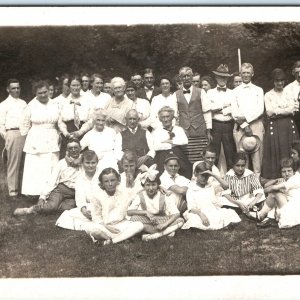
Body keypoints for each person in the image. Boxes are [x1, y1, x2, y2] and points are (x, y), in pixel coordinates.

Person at [14, 138, 82, 216]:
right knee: (51, 207)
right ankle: (29, 210)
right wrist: (42, 198)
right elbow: (52, 181)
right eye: (70, 148)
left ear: (80, 148)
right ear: (67, 150)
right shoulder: (61, 163)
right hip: (61, 190)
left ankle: (56, 206)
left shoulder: (85, 162)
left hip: (75, 193)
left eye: (75, 147)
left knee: (71, 207)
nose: (73, 150)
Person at [20, 80, 60, 197]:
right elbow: (24, 125)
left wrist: (61, 133)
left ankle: (49, 193)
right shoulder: (30, 106)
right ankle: (35, 193)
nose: (43, 95)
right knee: (37, 166)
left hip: (52, 137)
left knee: (50, 164)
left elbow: (60, 121)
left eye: (45, 92)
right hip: (36, 138)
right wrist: (30, 139)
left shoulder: (55, 104)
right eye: (40, 93)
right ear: (35, 94)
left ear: (49, 91)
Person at [85, 167, 144, 246]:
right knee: (92, 229)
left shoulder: (124, 193)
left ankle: (112, 241)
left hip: (122, 224)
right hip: (105, 227)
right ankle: (124, 237)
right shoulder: (97, 196)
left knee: (139, 225)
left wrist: (159, 187)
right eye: (106, 181)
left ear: (118, 180)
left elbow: (139, 190)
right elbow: (96, 218)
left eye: (112, 180)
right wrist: (107, 227)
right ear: (102, 183)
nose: (110, 184)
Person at [128, 165, 184, 241]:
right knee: (132, 219)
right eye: (147, 185)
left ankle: (152, 236)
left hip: (160, 220)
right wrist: (145, 212)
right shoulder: (140, 196)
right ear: (143, 186)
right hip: (146, 220)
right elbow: (129, 212)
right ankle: (164, 233)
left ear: (158, 185)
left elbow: (176, 213)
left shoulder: (163, 195)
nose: (151, 188)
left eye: (153, 185)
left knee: (180, 220)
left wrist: (164, 224)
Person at [182, 161, 241, 230]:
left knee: (230, 212)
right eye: (202, 175)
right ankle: (202, 227)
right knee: (194, 219)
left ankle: (218, 224)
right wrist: (201, 214)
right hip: (198, 212)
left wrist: (213, 175)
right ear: (196, 174)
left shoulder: (210, 186)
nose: (204, 178)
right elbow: (191, 208)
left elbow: (226, 186)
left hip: (212, 210)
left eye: (207, 176)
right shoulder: (191, 188)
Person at [262, 68, 298, 179]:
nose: (280, 83)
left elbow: (292, 109)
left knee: (291, 150)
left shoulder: (289, 93)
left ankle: (292, 177)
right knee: (275, 150)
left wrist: (277, 111)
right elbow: (269, 111)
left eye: (282, 80)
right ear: (273, 81)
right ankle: (277, 177)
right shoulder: (268, 95)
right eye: (277, 80)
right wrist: (284, 110)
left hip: (288, 125)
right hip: (275, 126)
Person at [231, 62, 265, 177]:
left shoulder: (258, 90)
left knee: (257, 161)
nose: (246, 75)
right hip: (240, 127)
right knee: (242, 159)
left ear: (252, 74)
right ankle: (243, 186)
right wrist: (245, 125)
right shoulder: (235, 91)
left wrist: (247, 119)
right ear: (240, 74)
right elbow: (234, 112)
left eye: (248, 73)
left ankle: (257, 187)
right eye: (243, 73)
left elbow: (260, 109)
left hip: (256, 126)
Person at [55, 150, 100, 231]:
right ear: (82, 164)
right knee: (66, 216)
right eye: (87, 163)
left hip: (102, 206)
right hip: (89, 206)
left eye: (93, 163)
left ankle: (94, 224)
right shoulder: (80, 178)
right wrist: (84, 210)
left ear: (97, 163)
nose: (90, 166)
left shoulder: (101, 175)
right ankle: (93, 226)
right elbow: (79, 196)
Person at [176, 66, 212, 163]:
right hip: (184, 131)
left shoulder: (201, 92)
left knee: (200, 157)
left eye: (188, 76)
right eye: (184, 76)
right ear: (180, 78)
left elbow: (207, 112)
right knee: (186, 158)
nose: (186, 78)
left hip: (199, 130)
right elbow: (175, 115)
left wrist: (208, 131)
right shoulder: (176, 94)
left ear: (192, 77)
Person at [248, 157, 295, 227]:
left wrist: (274, 188)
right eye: (284, 172)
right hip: (285, 204)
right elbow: (266, 186)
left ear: (294, 171)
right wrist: (275, 181)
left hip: (294, 208)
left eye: (289, 171)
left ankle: (262, 214)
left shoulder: (295, 180)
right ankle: (266, 216)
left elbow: (265, 190)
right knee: (275, 194)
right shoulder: (284, 180)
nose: (287, 174)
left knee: (275, 193)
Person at [0, 79, 27, 198]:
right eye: (13, 88)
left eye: (18, 88)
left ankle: (23, 189)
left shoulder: (23, 103)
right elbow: (1, 124)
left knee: (24, 162)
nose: (16, 90)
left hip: (25, 133)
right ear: (8, 89)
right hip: (12, 133)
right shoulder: (3, 105)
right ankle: (13, 191)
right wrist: (7, 136)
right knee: (13, 163)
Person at [208, 64, 236, 170]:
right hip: (215, 124)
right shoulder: (210, 93)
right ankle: (212, 178)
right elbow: (209, 108)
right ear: (216, 78)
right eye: (220, 77)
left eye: (225, 77)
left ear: (228, 79)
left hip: (228, 125)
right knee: (214, 153)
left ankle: (231, 179)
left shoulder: (232, 93)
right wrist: (224, 106)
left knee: (230, 153)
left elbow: (233, 109)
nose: (222, 79)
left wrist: (219, 110)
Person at [58, 75, 94, 158]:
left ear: (81, 86)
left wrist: (80, 132)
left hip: (83, 133)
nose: (76, 88)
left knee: (82, 159)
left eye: (77, 85)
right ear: (69, 86)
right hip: (68, 133)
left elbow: (91, 120)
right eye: (73, 85)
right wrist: (66, 133)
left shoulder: (88, 100)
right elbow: (60, 121)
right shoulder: (63, 102)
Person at [152, 106, 192, 178]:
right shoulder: (157, 131)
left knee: (185, 168)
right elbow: (156, 146)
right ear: (160, 119)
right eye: (163, 117)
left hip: (178, 156)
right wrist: (172, 145)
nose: (166, 119)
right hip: (163, 157)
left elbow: (185, 141)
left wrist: (169, 141)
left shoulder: (178, 129)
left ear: (172, 117)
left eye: (167, 116)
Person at [284, 61, 300, 133]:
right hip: (294, 119)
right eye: (297, 72)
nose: (299, 75)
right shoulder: (288, 88)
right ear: (293, 73)